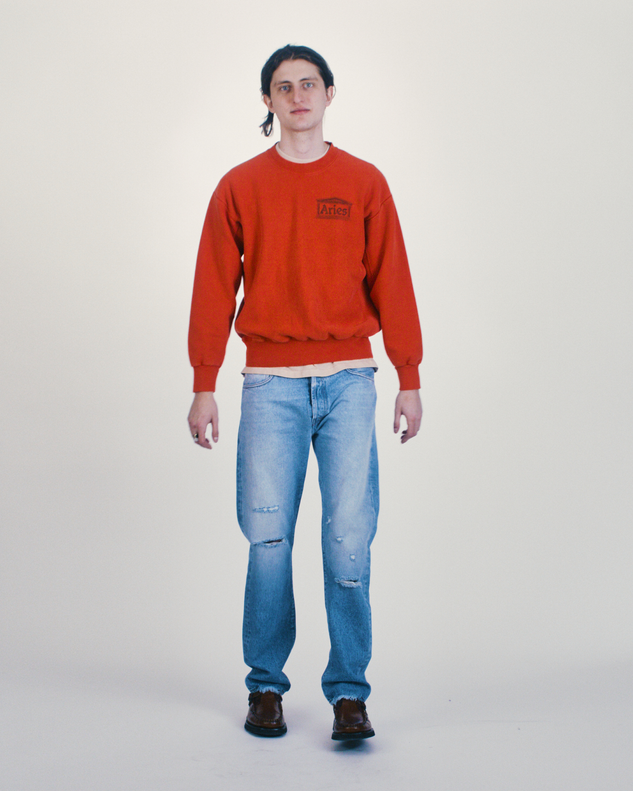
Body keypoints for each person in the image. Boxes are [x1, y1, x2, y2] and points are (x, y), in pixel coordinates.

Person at [187, 44, 422, 741]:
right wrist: (204, 383)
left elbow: (393, 279)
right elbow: (212, 288)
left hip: (350, 380)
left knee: (349, 542)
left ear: (328, 94)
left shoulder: (363, 182)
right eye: (283, 87)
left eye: (308, 84)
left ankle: (349, 694)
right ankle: (265, 686)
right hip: (269, 386)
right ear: (268, 100)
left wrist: (408, 375)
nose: (297, 96)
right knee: (268, 539)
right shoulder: (239, 186)